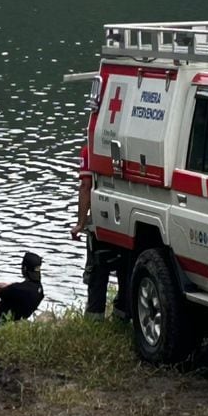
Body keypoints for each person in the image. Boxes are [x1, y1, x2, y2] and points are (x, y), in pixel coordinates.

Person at [75, 136, 126, 319]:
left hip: (102, 218)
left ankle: (94, 316)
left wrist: (80, 223)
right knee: (126, 266)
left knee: (98, 268)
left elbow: (86, 186)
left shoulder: (90, 149)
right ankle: (123, 313)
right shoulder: (126, 144)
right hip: (127, 216)